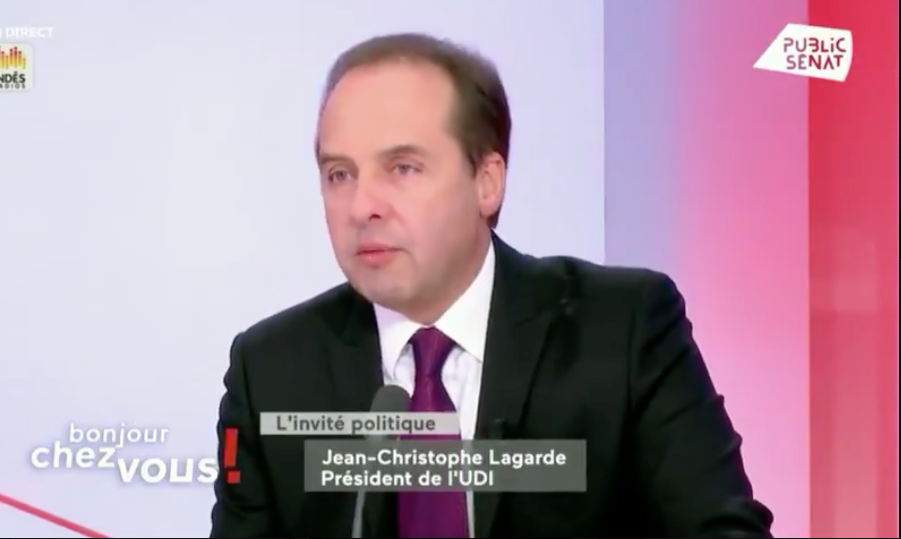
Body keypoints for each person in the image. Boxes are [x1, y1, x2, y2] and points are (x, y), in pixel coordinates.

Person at [209, 32, 773, 538]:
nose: (362, 206)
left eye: (402, 167)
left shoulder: (622, 330)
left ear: (487, 181)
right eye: (340, 174)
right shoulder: (272, 371)